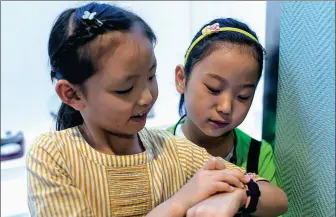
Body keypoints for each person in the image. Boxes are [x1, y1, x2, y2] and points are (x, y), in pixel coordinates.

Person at [26, 2, 288, 217]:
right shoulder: (53, 156)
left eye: (151, 77)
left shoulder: (172, 150)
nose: (147, 97)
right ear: (72, 94)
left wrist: (240, 194)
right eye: (125, 89)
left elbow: (276, 197)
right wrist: (179, 202)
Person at [167, 18, 278, 186]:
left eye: (243, 96)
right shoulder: (155, 148)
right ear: (182, 79)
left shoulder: (258, 155)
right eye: (214, 89)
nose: (226, 108)